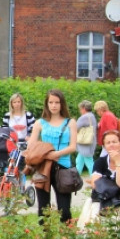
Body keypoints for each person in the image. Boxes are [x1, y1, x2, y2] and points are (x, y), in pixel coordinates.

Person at [26, 90, 78, 224]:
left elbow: (73, 146)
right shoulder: (40, 123)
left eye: (57, 102)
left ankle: (66, 237)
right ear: (46, 104)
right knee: (43, 209)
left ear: (62, 104)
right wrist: (44, 154)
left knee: (64, 210)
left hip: (63, 167)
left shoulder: (70, 122)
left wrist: (56, 154)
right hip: (43, 168)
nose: (54, 105)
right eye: (51, 102)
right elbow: (31, 145)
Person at [75, 100, 97, 176]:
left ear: (83, 108)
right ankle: (76, 176)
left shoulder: (84, 117)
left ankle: (95, 178)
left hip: (84, 142)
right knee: (79, 160)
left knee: (89, 161)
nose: (80, 111)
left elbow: (75, 128)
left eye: (80, 109)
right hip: (90, 141)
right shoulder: (92, 116)